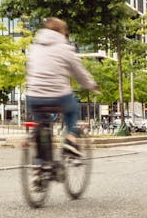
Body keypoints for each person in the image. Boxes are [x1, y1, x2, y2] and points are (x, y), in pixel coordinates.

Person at [24, 18, 99, 159]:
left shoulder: (33, 48)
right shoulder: (65, 48)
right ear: (61, 32)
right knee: (73, 108)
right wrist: (91, 85)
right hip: (59, 96)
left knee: (42, 125)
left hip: (33, 96)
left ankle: (40, 167)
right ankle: (70, 140)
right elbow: (79, 73)